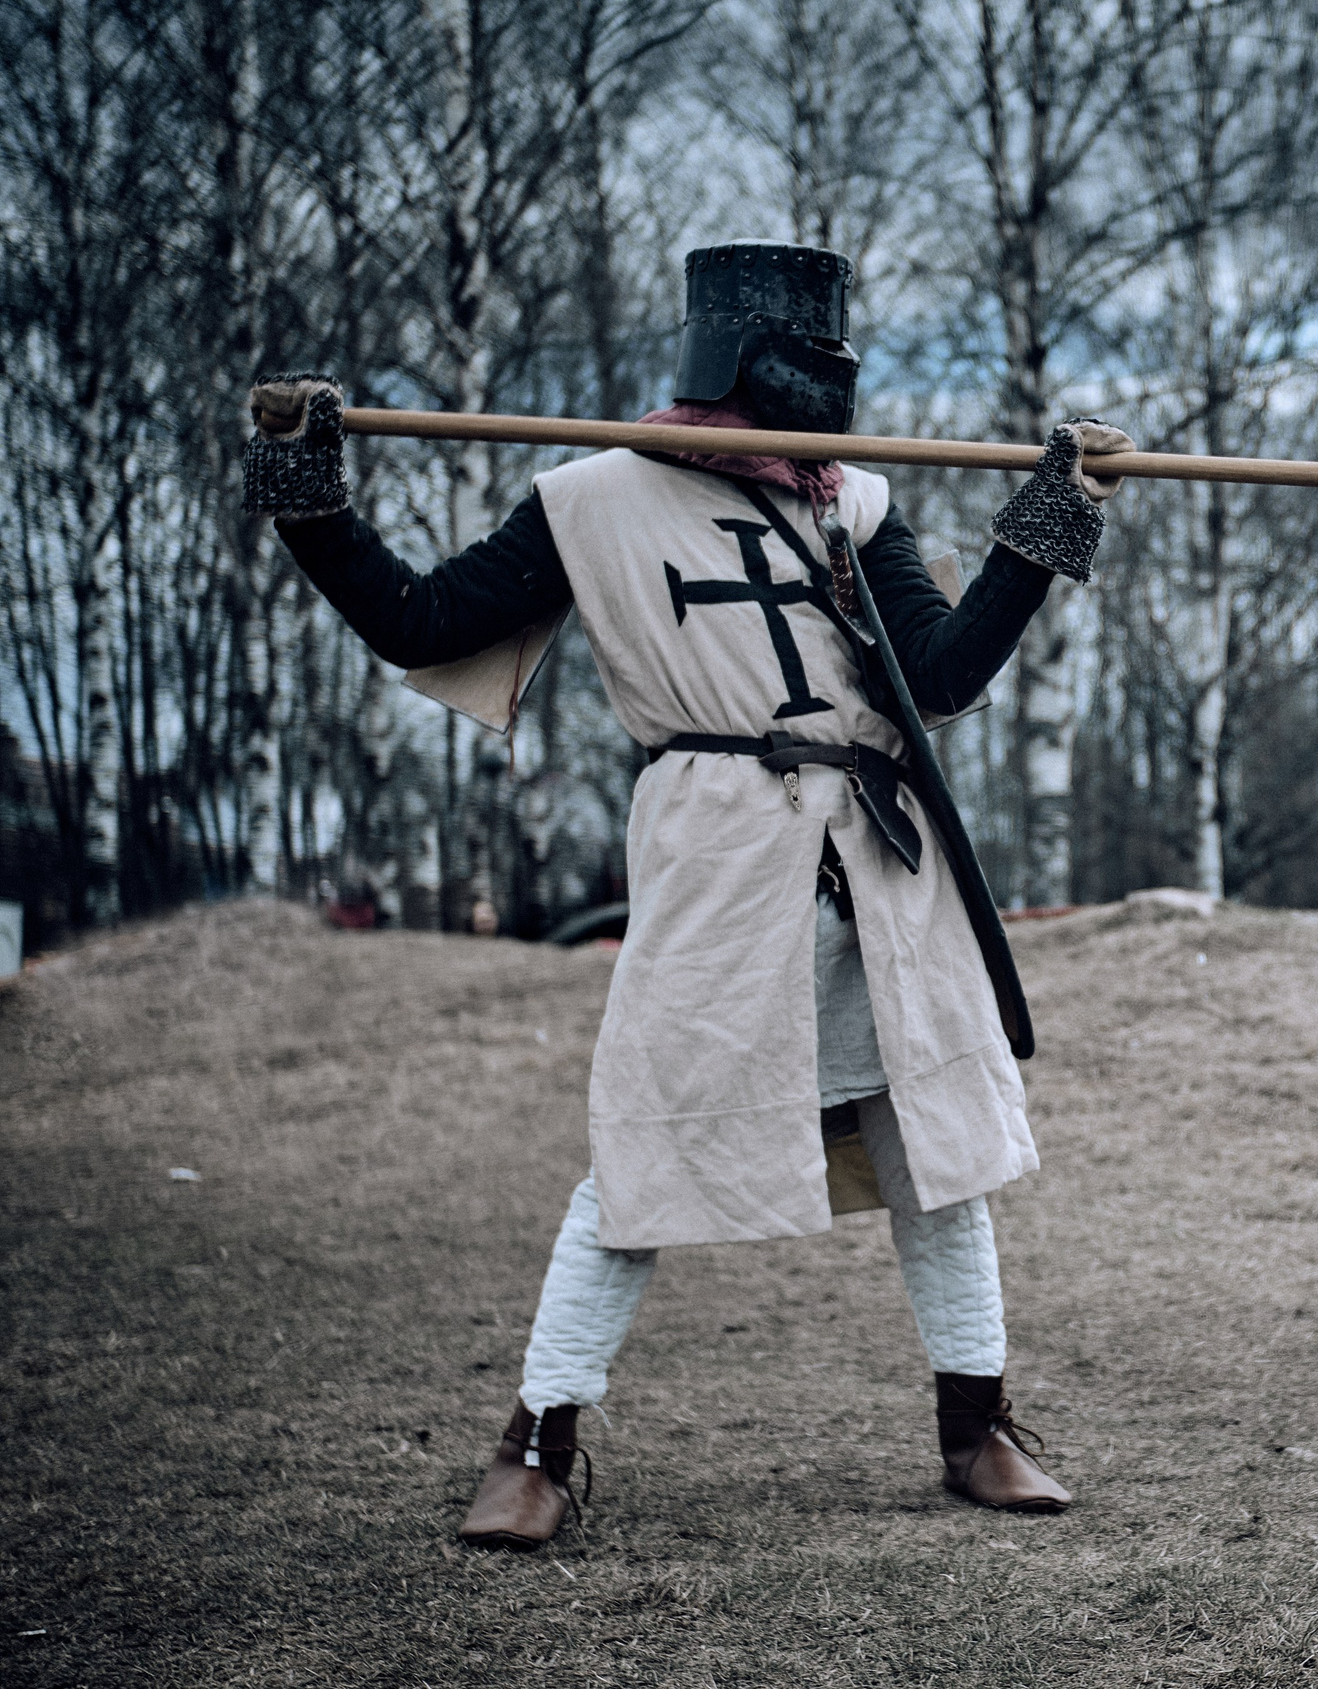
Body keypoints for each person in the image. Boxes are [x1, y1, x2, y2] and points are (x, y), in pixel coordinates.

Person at [245, 240, 1132, 1547]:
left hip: (880, 873)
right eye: (797, 368)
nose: (820, 393)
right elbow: (423, 623)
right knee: (638, 1155)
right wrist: (309, 498)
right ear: (732, 365)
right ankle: (539, 1443)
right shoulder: (593, 501)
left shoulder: (852, 507)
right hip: (721, 870)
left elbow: (936, 677)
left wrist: (1039, 531)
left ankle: (979, 1426)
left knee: (939, 1154)